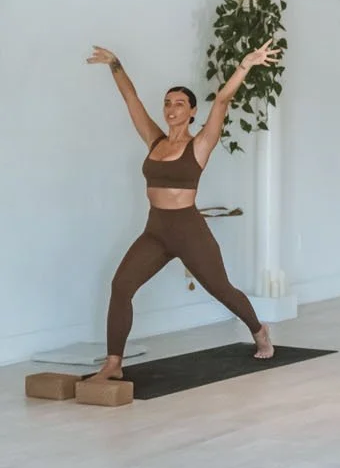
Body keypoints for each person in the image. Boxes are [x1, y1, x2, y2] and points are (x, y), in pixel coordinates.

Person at [86, 41, 278, 382]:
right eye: (168, 103)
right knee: (121, 286)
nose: (172, 109)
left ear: (192, 112)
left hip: (188, 229)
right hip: (156, 231)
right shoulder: (155, 141)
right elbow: (132, 101)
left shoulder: (200, 144)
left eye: (180, 104)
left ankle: (258, 328)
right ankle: (114, 363)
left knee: (221, 289)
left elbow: (222, 100)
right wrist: (116, 64)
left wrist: (245, 64)